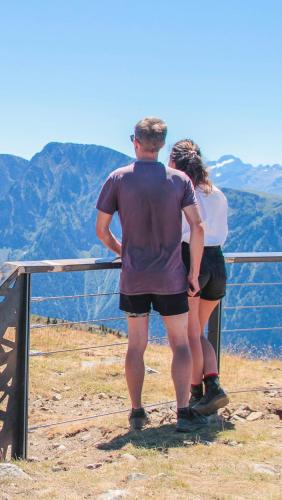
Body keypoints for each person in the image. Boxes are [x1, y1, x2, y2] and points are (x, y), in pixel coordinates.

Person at [95, 117, 209, 433]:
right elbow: (197, 227)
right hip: (172, 277)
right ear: (161, 145)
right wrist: (195, 273)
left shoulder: (118, 179)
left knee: (136, 345)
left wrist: (124, 252)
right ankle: (183, 412)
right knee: (181, 344)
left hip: (134, 277)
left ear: (136, 142)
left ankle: (136, 412)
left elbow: (101, 230)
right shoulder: (179, 181)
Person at [170, 139, 230, 415]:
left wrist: (192, 271)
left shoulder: (182, 190)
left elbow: (193, 231)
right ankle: (206, 387)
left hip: (193, 259)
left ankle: (206, 390)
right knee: (199, 331)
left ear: (175, 164)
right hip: (218, 261)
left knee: (191, 333)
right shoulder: (216, 192)